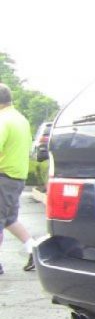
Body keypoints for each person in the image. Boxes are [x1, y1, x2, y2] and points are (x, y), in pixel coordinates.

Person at [0, 83, 36, 274]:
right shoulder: (20, 119)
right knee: (10, 219)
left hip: (3, 176)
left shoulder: (2, 120)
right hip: (17, 177)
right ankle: (33, 249)